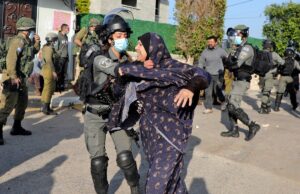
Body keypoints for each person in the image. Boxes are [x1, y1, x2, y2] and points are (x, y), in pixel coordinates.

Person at [118, 32, 211, 193]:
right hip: (149, 137)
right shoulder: (141, 70)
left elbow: (204, 75)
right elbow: (119, 73)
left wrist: (190, 88)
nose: (136, 47)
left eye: (140, 44)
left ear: (151, 47)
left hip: (170, 138)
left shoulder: (173, 66)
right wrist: (132, 70)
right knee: (173, 183)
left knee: (155, 186)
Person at [78, 10, 140, 194]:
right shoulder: (100, 58)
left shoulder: (126, 58)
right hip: (95, 115)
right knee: (98, 161)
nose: (124, 38)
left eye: (125, 35)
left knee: (126, 158)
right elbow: (117, 70)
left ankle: (137, 190)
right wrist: (140, 69)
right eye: (119, 35)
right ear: (110, 38)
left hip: (117, 114)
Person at [0, 17, 40, 145]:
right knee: (7, 105)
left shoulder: (26, 41)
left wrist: (37, 43)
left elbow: (32, 52)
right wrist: (12, 76)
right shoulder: (18, 41)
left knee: (22, 103)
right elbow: (11, 59)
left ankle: (16, 127)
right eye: (32, 30)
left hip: (21, 78)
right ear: (27, 30)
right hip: (13, 77)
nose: (33, 31)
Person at [220, 25, 260, 141]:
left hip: (243, 81)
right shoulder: (237, 48)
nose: (235, 37)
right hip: (236, 80)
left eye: (238, 35)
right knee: (229, 105)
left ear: (243, 35)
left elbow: (237, 64)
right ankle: (234, 130)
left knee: (232, 105)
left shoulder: (247, 48)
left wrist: (228, 63)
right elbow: (230, 62)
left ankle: (252, 125)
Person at [198, 35, 227, 113]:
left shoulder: (221, 51)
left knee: (217, 91)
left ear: (216, 43)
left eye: (211, 42)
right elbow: (201, 62)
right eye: (209, 42)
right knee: (208, 91)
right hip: (208, 74)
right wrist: (200, 71)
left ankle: (223, 102)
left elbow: (227, 59)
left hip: (218, 74)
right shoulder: (205, 51)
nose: (210, 43)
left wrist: (226, 67)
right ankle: (209, 108)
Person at [258, 40, 285, 114]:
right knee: (266, 92)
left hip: (261, 75)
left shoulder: (260, 53)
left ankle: (268, 105)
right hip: (270, 75)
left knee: (264, 91)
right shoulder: (274, 54)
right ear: (271, 46)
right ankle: (263, 107)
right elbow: (282, 63)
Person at [72, 18, 100, 84]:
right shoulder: (85, 30)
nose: (93, 27)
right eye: (92, 26)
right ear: (89, 25)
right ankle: (77, 83)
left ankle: (86, 83)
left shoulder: (96, 32)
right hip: (82, 53)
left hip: (91, 53)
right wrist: (84, 46)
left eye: (95, 26)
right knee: (80, 68)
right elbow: (76, 40)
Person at [40, 32, 59, 115]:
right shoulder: (49, 48)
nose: (55, 42)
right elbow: (49, 61)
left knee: (48, 88)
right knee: (49, 89)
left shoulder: (47, 47)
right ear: (52, 40)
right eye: (55, 40)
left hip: (47, 69)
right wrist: (53, 71)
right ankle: (45, 108)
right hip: (49, 70)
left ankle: (46, 107)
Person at [55, 23, 69, 92]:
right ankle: (56, 87)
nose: (68, 30)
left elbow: (66, 47)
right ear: (64, 29)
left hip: (65, 57)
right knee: (59, 72)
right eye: (67, 28)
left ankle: (61, 86)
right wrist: (57, 58)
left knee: (64, 73)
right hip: (60, 57)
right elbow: (56, 48)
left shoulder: (66, 36)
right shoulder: (58, 36)